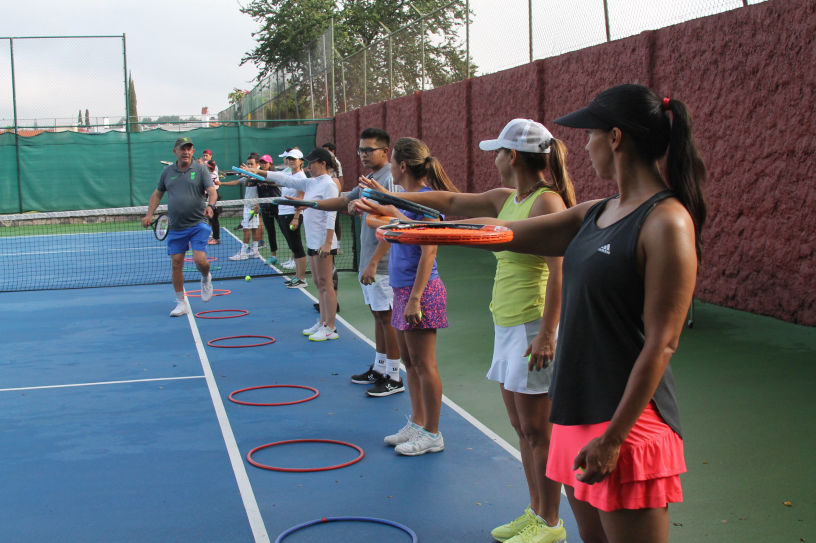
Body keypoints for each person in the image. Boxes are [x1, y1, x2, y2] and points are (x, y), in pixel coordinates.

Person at [459, 85, 705, 543]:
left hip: (625, 423)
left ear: (615, 138)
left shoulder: (666, 222)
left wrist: (613, 439)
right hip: (576, 410)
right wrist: (413, 224)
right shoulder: (596, 212)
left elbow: (663, 343)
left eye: (590, 134)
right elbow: (502, 231)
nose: (585, 146)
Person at [369, 119, 574, 542]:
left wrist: (548, 333)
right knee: (521, 427)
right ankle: (536, 512)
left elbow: (560, 272)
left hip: (532, 325)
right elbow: (450, 201)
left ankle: (551, 523)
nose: (494, 159)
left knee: (538, 431)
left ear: (512, 156)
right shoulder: (508, 198)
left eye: (497, 152)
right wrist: (389, 197)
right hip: (507, 323)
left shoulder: (547, 203)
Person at [355, 137, 457, 455]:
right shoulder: (406, 200)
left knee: (425, 365)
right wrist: (373, 203)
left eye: (392, 162)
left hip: (421, 292)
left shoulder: (427, 202)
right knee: (409, 364)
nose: (390, 169)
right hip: (402, 289)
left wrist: (415, 298)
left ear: (402, 165)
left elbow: (429, 251)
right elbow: (392, 219)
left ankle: (433, 433)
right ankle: (418, 422)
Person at [312, 128, 402, 397]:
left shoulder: (389, 180)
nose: (363, 154)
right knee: (378, 316)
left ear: (385, 151)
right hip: (369, 260)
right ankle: (380, 367)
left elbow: (394, 224)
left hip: (383, 263)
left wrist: (375, 262)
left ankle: (394, 376)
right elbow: (343, 200)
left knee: (387, 318)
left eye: (369, 150)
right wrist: (311, 204)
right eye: (360, 150)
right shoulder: (369, 180)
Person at [246, 147, 341, 342]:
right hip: (313, 240)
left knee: (327, 284)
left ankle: (330, 327)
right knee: (318, 283)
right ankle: (322, 322)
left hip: (324, 242)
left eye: (312, 163)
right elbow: (285, 179)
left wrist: (328, 242)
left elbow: (332, 215)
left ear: (323, 164)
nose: (309, 167)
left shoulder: (329, 185)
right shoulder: (311, 182)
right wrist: (258, 172)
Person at [142, 136, 217, 316]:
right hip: (176, 227)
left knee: (200, 260)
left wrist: (211, 206)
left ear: (193, 151)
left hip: (198, 223)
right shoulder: (167, 172)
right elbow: (158, 194)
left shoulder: (201, 170)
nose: (186, 152)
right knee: (176, 264)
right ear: (175, 151)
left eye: (189, 148)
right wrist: (149, 214)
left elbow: (212, 191)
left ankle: (206, 277)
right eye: (182, 148)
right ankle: (181, 303)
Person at [219, 153, 263, 260]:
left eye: (251, 164)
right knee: (254, 228)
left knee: (246, 229)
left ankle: (243, 253)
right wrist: (221, 183)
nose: (249, 166)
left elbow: (262, 191)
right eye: (248, 164)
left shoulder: (259, 176)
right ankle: (255, 251)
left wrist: (258, 205)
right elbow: (236, 182)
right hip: (248, 205)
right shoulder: (248, 175)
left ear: (257, 164)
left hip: (253, 207)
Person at [275, 148, 309, 288]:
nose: (290, 161)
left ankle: (302, 279)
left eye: (293, 159)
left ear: (301, 161)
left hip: (292, 214)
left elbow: (300, 199)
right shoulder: (289, 174)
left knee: (296, 246)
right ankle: (297, 276)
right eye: (289, 158)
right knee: (292, 246)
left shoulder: (301, 177)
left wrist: (296, 217)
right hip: (283, 213)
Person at [256, 154, 281, 264]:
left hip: (277, 206)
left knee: (285, 230)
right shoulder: (257, 175)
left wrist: (266, 182)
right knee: (270, 232)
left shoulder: (275, 174)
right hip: (265, 207)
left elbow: (277, 183)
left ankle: (294, 257)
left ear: (270, 163)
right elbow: (248, 183)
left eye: (265, 162)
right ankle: (273, 256)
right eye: (261, 162)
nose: (263, 164)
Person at [206, 159, 223, 245]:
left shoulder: (211, 175)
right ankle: (213, 236)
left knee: (214, 218)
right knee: (210, 218)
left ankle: (216, 238)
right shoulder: (213, 172)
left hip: (214, 196)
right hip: (211, 196)